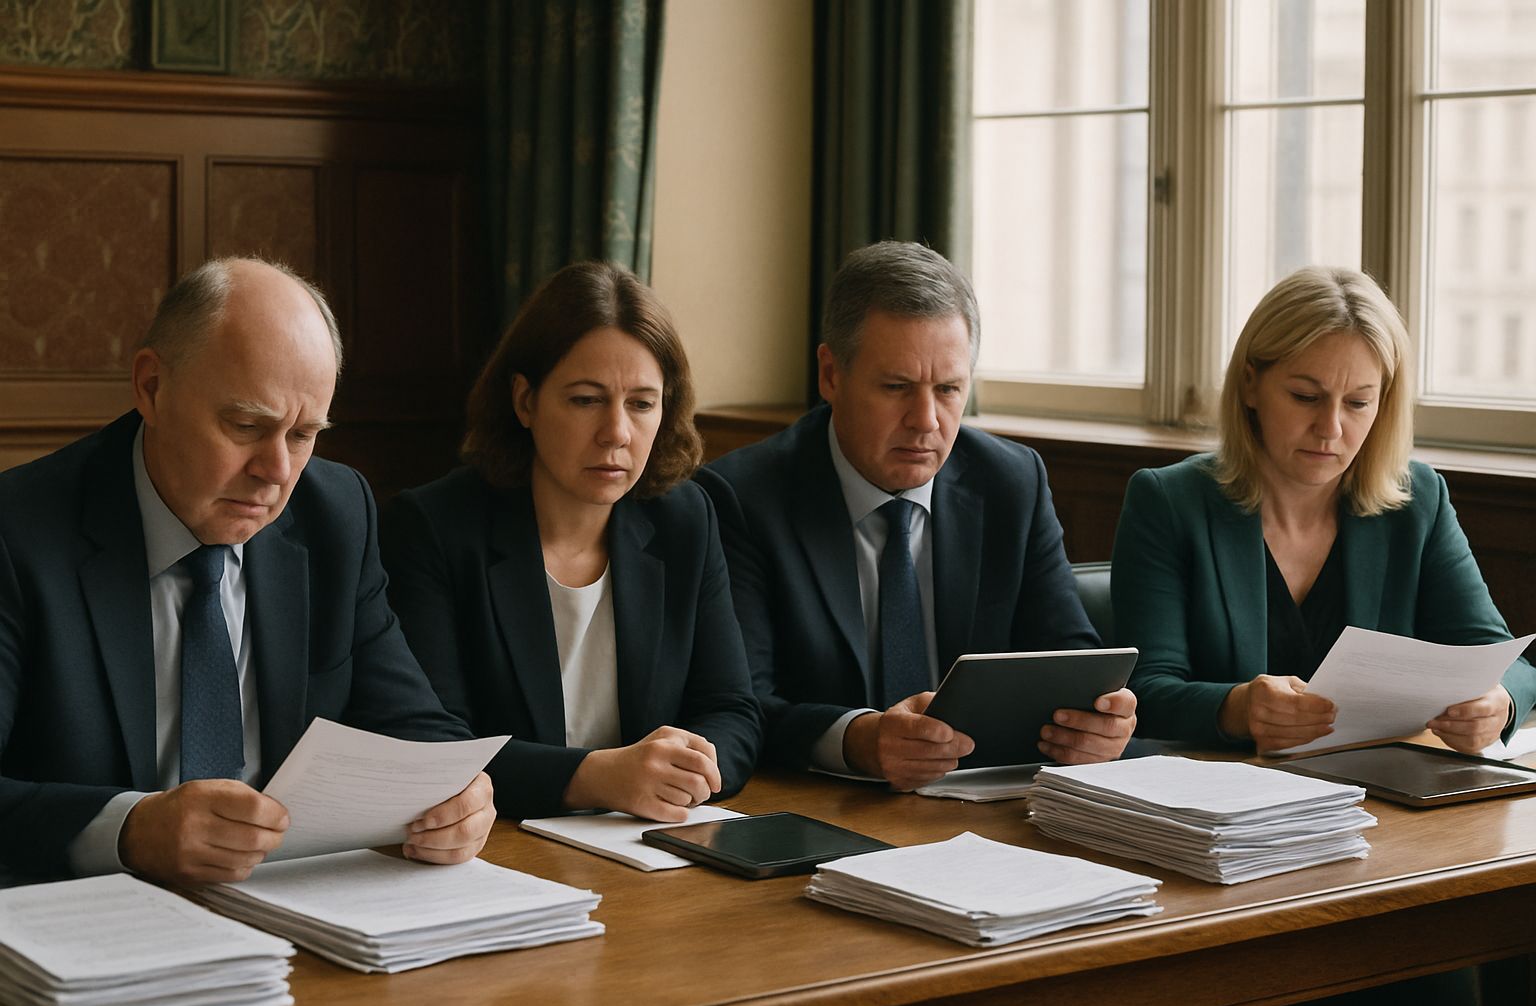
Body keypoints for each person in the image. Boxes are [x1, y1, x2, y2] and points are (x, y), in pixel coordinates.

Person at [0, 257, 494, 887]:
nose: (278, 470)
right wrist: (128, 831)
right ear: (151, 387)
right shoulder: (18, 534)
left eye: (304, 433)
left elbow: (412, 723)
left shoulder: (334, 515)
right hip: (85, 917)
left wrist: (460, 794)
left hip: (290, 906)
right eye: (246, 426)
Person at [696, 241, 1137, 790]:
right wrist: (858, 739)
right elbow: (742, 701)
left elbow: (1068, 652)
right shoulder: (741, 497)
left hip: (985, 799)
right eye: (897, 387)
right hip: (816, 804)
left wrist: (1096, 720)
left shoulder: (1011, 482)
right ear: (831, 374)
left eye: (949, 389)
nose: (926, 420)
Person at [380, 262, 760, 823]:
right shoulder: (434, 527)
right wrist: (598, 778)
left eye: (641, 403)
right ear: (525, 401)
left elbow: (732, 711)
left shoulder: (685, 519)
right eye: (586, 400)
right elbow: (435, 746)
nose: (617, 432)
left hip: (648, 841)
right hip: (494, 848)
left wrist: (687, 769)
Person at [1113, 266, 1535, 753]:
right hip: (1226, 796)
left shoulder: (1418, 500)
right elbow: (1143, 692)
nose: (1330, 428)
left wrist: (1497, 702)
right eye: (1305, 397)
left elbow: (1502, 660)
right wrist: (1237, 707)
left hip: (1382, 790)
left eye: (1358, 403)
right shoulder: (1169, 501)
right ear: (1251, 384)